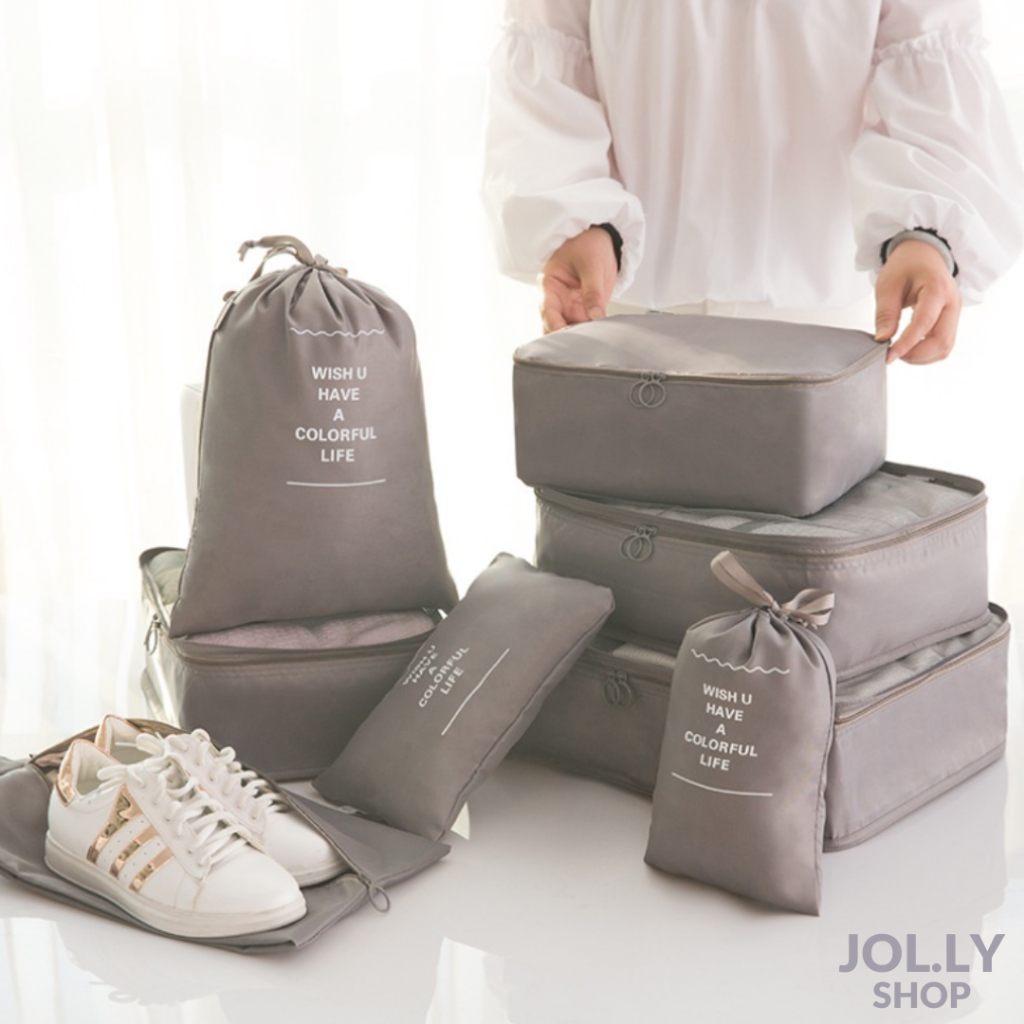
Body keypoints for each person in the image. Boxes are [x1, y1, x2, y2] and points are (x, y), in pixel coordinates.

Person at [482, 0, 1024, 361]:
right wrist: (581, 221)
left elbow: (930, 66)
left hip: (820, 337)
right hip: (617, 310)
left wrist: (924, 238)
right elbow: (548, 59)